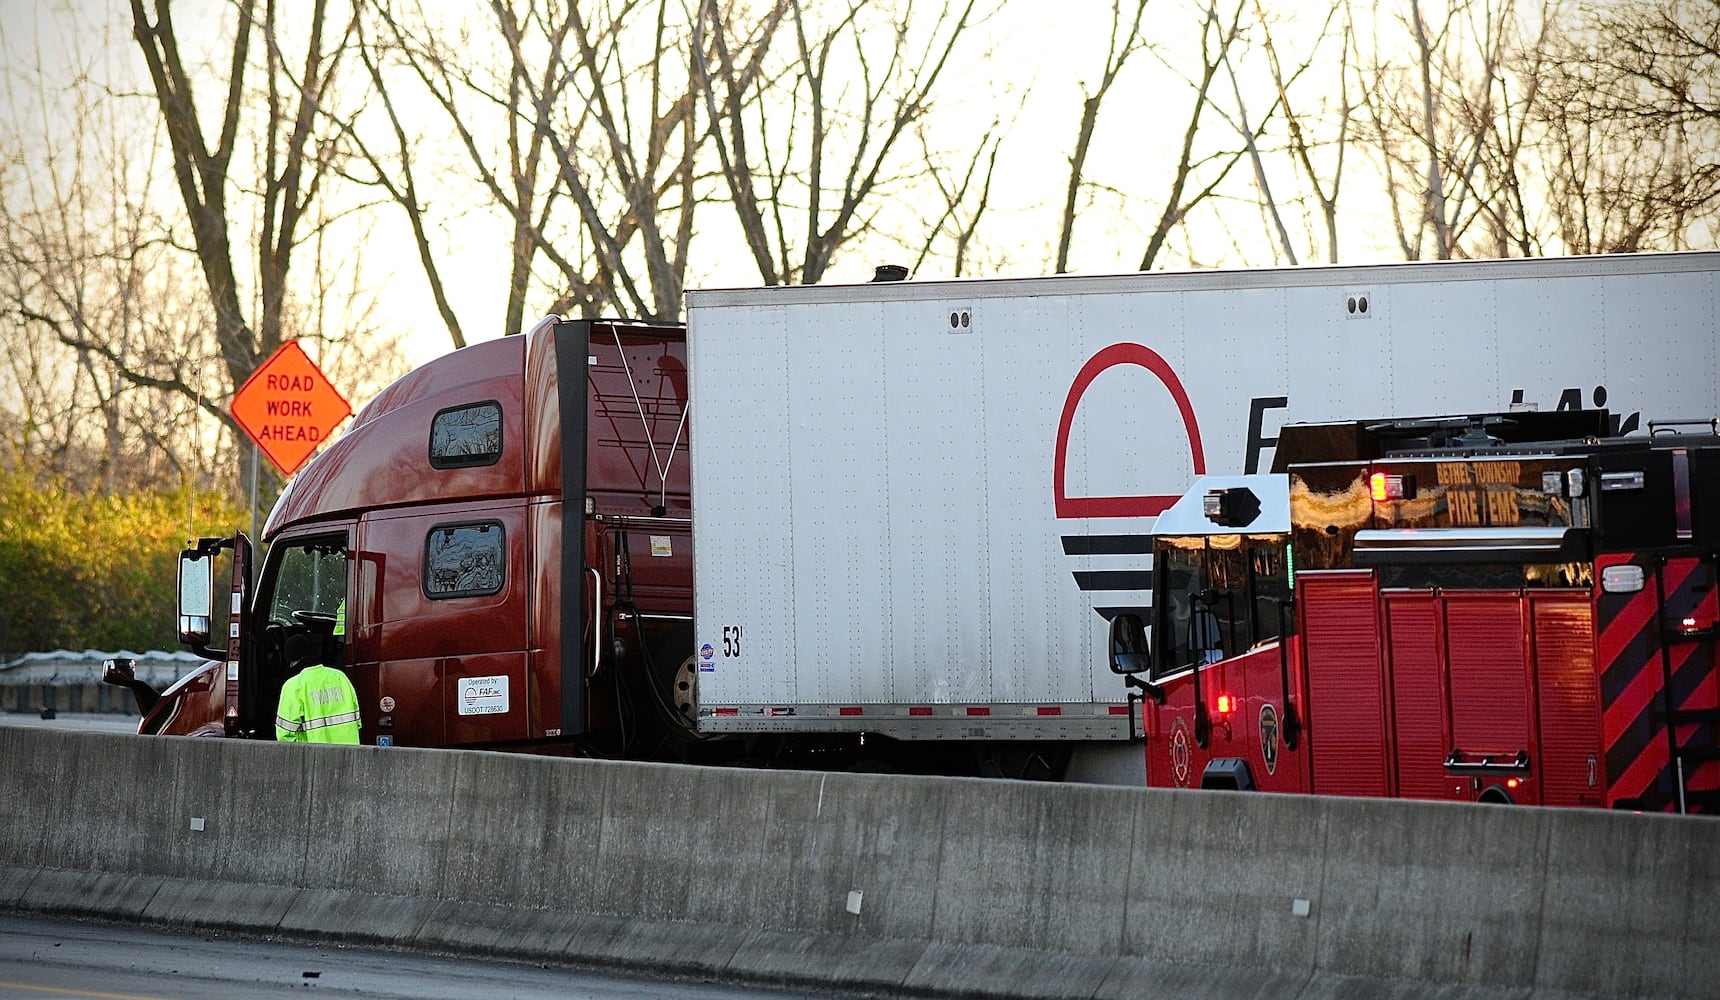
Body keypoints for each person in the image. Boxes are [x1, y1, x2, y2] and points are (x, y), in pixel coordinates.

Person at [275, 632, 361, 744]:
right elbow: (357, 722)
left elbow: (284, 735)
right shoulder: (340, 677)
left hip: (315, 756)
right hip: (349, 754)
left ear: (292, 662)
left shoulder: (294, 685)